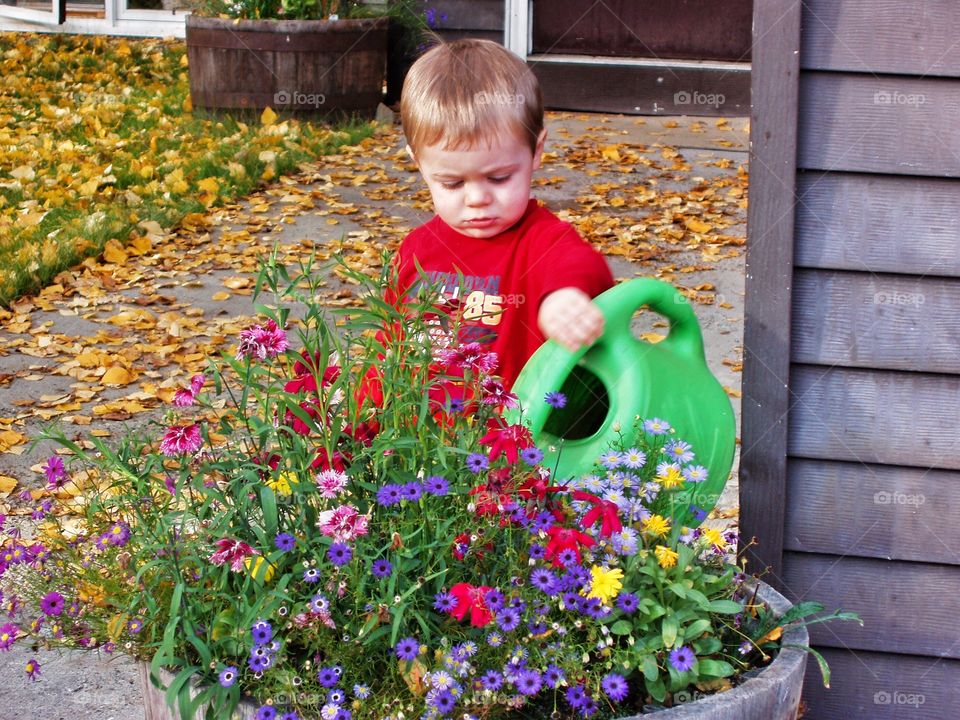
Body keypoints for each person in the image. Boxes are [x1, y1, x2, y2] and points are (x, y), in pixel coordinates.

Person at [393, 38, 614, 389]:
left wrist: (563, 298)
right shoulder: (414, 252)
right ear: (419, 163)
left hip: (516, 435)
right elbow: (390, 344)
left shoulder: (542, 241)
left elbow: (581, 265)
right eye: (452, 183)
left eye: (499, 178)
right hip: (426, 437)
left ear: (536, 151)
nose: (478, 198)